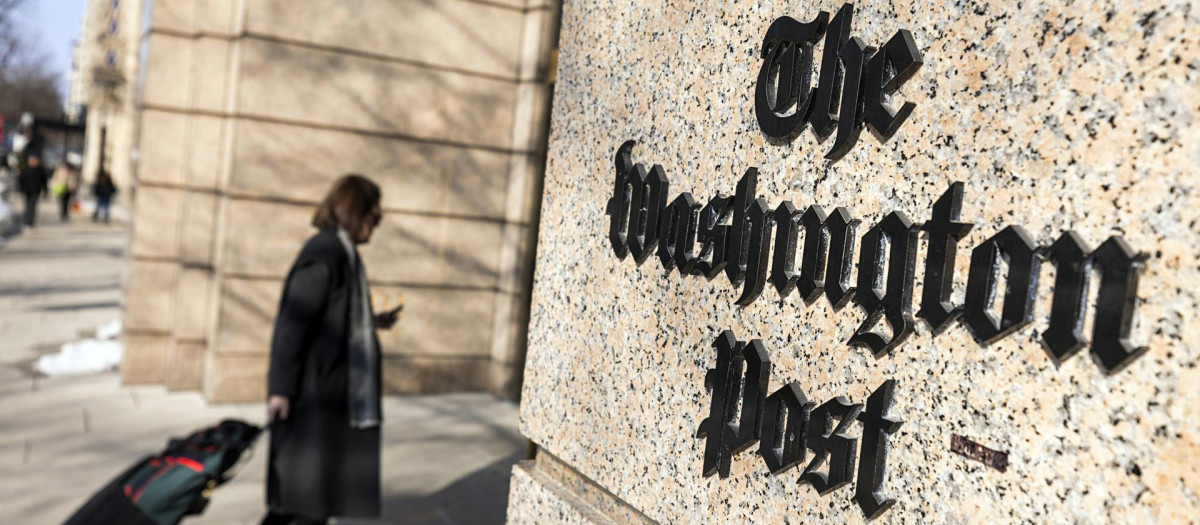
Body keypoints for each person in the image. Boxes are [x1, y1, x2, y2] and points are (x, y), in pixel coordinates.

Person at [263, 174, 397, 525]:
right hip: (313, 397)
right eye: (375, 217)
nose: (376, 226)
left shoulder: (341, 253)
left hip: (330, 393)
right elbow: (293, 325)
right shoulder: (326, 255)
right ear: (356, 212)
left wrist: (371, 321)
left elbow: (331, 316)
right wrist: (280, 390)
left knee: (312, 498)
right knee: (304, 501)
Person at [17, 155, 47, 227]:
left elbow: (44, 181)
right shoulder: (25, 169)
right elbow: (20, 180)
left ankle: (30, 221)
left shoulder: (40, 170)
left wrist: (45, 190)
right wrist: (21, 189)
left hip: (36, 191)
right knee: (27, 206)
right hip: (26, 191)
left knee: (32, 206)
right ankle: (26, 221)